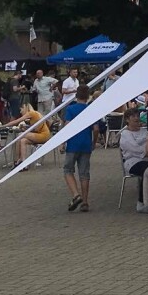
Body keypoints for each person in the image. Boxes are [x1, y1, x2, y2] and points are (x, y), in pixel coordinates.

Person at [61, 85, 93, 213]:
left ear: (76, 95)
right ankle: (85, 202)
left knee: (68, 170)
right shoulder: (91, 109)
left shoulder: (71, 109)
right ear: (88, 96)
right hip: (86, 144)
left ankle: (76, 194)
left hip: (73, 144)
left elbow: (67, 127)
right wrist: (94, 141)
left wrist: (62, 142)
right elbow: (96, 128)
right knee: (84, 173)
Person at [117, 109, 148, 211]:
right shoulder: (125, 134)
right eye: (133, 116)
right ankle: (142, 202)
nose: (136, 118)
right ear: (127, 120)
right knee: (147, 171)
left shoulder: (145, 131)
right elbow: (134, 149)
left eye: (137, 116)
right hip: (133, 162)